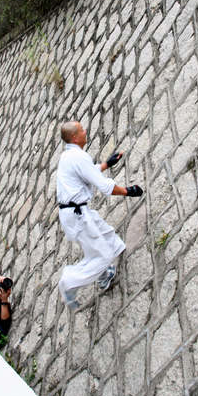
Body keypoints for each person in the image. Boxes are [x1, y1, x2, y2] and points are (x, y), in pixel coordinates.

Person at [57, 121, 144, 309]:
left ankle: (106, 272)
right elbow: (105, 187)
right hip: (77, 214)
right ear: (74, 137)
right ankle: (69, 282)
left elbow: (87, 173)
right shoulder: (78, 157)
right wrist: (128, 191)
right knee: (102, 256)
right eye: (81, 130)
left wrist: (106, 164)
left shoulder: (69, 156)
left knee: (104, 234)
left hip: (75, 212)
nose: (85, 131)